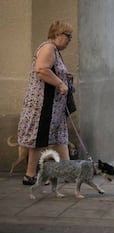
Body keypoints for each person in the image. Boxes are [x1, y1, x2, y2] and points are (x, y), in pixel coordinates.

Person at [18, 20, 74, 185]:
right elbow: (42, 69)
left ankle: (68, 172)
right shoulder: (48, 47)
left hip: (55, 106)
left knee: (60, 138)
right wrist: (60, 83)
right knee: (39, 139)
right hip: (43, 105)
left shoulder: (55, 50)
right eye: (68, 36)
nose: (70, 40)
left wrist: (65, 77)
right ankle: (30, 175)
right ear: (57, 34)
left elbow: (52, 70)